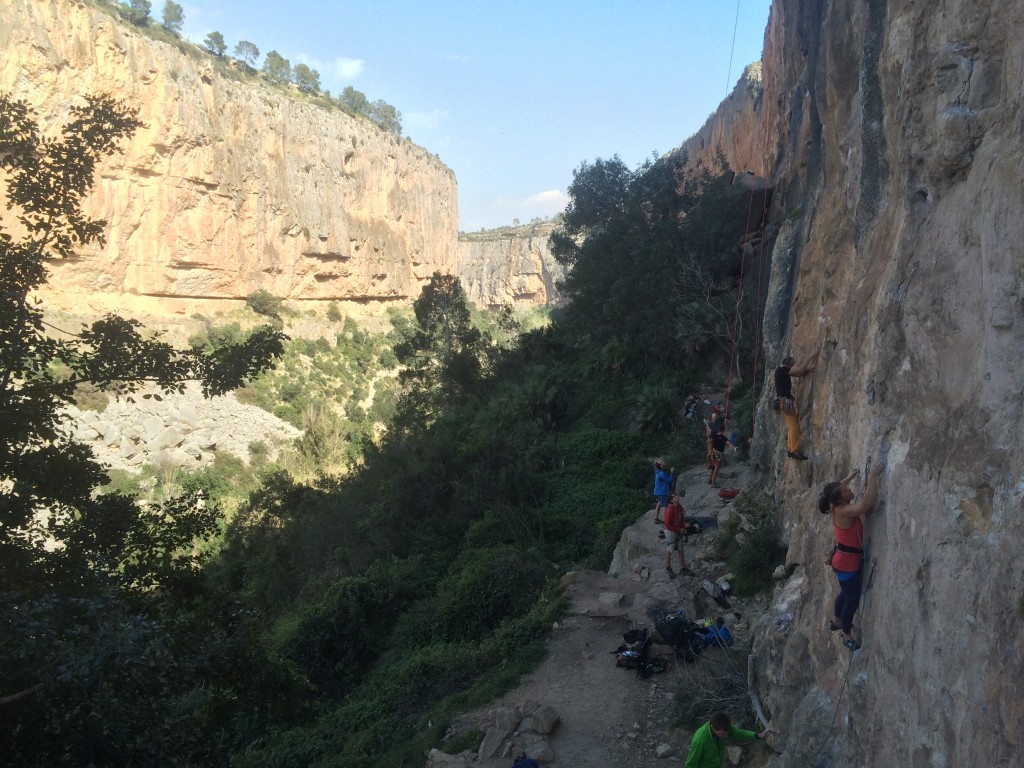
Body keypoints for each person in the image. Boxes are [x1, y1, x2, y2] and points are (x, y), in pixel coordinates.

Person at [818, 460, 884, 651]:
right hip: (847, 563)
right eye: (846, 491)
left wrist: (850, 477)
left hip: (843, 560)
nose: (849, 490)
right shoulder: (844, 511)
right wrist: (872, 477)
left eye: (847, 488)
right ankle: (846, 634)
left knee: (845, 592)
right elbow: (866, 504)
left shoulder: (834, 504)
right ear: (840, 500)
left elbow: (838, 485)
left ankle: (837, 620)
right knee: (852, 600)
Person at [774, 351, 820, 460]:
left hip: (783, 402)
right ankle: (794, 450)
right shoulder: (782, 370)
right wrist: (811, 356)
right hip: (785, 402)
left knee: (791, 427)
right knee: (794, 427)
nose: (794, 366)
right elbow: (799, 370)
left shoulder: (782, 372)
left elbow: (800, 374)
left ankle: (791, 449)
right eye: (793, 364)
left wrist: (807, 369)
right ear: (789, 364)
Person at [684, 711, 771, 768]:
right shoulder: (700, 740)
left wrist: (758, 735)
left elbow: (739, 733)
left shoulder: (723, 727)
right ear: (713, 728)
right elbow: (691, 764)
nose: (725, 736)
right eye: (722, 734)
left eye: (727, 733)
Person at [663, 494, 691, 576]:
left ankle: (683, 569)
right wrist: (679, 529)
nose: (677, 496)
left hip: (678, 530)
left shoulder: (679, 507)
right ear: (671, 500)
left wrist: (684, 524)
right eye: (675, 496)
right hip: (670, 532)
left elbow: (681, 518)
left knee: (681, 549)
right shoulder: (669, 510)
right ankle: (668, 568)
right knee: (670, 549)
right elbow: (667, 525)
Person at [652, 460, 674, 524]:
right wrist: (671, 472)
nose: (664, 462)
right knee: (666, 506)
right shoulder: (661, 473)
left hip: (658, 491)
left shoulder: (658, 472)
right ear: (661, 466)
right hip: (662, 492)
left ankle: (656, 518)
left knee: (659, 503)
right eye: (662, 462)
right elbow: (669, 480)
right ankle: (667, 521)